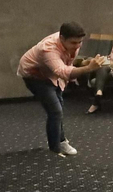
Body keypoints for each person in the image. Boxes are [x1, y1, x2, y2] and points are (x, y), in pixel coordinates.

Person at [19, 21, 104, 157]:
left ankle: (61, 141)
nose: (77, 46)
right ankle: (55, 149)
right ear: (62, 38)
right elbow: (63, 71)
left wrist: (85, 64)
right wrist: (88, 69)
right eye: (73, 43)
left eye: (79, 42)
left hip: (51, 73)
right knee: (55, 110)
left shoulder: (71, 43)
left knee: (58, 106)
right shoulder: (48, 49)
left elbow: (67, 64)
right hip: (34, 76)